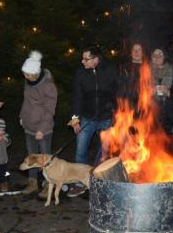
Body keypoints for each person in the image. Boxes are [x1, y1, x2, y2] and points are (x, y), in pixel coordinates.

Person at [68, 45, 118, 197]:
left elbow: (118, 92)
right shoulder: (81, 73)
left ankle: (99, 183)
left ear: (96, 59)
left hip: (106, 118)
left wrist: (116, 111)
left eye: (86, 59)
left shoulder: (110, 71)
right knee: (80, 151)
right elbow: (77, 97)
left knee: (104, 153)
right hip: (87, 118)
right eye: (82, 58)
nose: (82, 61)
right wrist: (75, 119)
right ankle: (79, 183)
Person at [18, 51, 58, 196]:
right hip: (28, 127)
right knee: (31, 156)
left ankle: (48, 184)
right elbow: (26, 101)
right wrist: (22, 116)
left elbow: (50, 110)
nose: (26, 77)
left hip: (43, 129)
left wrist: (42, 129)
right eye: (25, 74)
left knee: (44, 158)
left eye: (29, 75)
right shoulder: (28, 81)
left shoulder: (48, 86)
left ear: (36, 73)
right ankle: (33, 182)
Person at [151, 46, 173, 130]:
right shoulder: (145, 72)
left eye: (160, 54)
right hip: (151, 117)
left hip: (169, 117)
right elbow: (137, 95)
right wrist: (148, 93)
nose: (157, 57)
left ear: (165, 57)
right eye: (154, 55)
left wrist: (168, 92)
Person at [118, 41, 145, 107]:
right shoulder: (124, 68)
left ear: (143, 53)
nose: (136, 52)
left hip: (144, 103)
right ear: (131, 52)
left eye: (139, 50)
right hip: (128, 104)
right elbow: (120, 87)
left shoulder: (148, 68)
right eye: (134, 50)